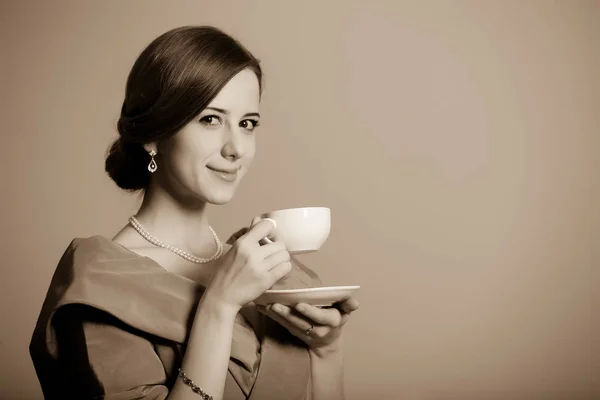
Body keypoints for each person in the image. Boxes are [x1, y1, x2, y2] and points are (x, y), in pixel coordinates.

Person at [29, 26, 359, 400]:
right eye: (210, 119)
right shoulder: (102, 284)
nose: (236, 148)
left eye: (247, 124)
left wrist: (327, 350)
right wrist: (218, 306)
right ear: (154, 134)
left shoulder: (264, 266)